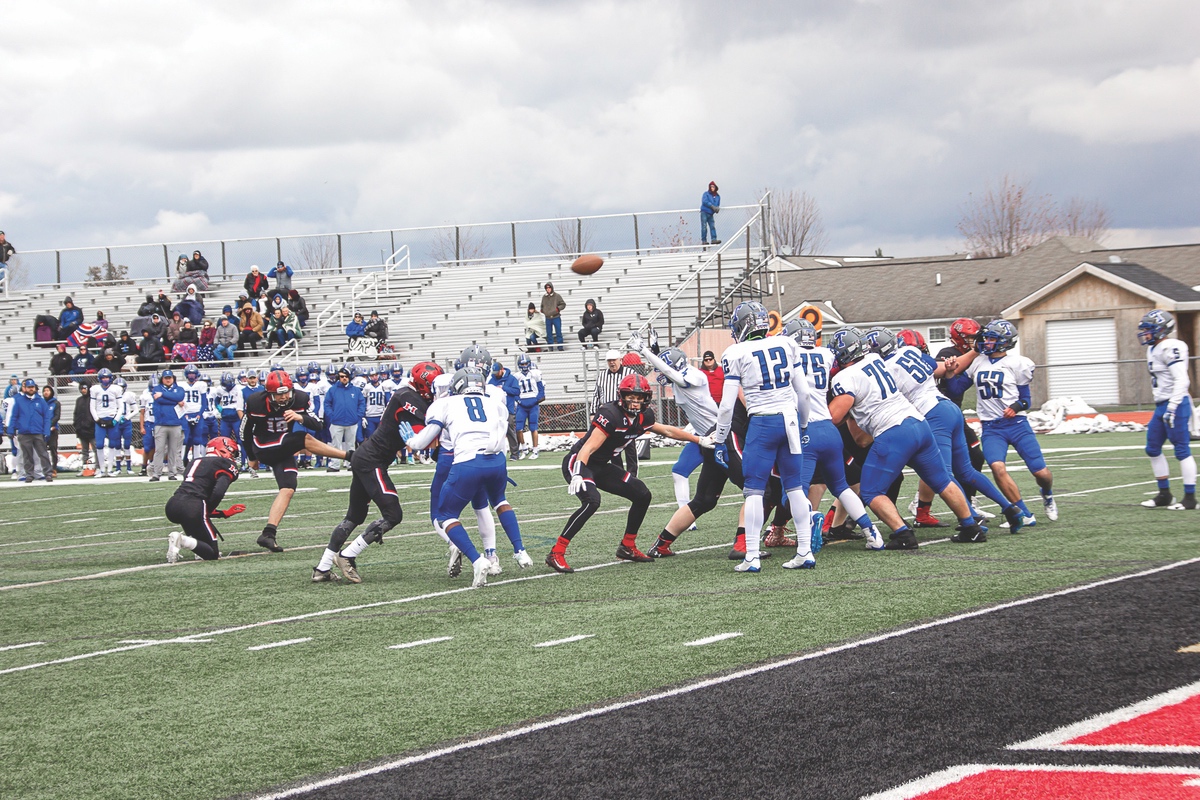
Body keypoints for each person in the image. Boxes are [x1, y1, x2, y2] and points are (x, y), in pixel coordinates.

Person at [827, 327, 987, 550]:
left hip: (893, 431)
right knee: (942, 480)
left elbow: (834, 417)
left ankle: (903, 534)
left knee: (872, 491)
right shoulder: (875, 359)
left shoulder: (845, 377)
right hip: (918, 423)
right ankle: (971, 527)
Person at [870, 326, 1026, 535]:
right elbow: (942, 369)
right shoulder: (910, 352)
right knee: (966, 471)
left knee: (944, 475)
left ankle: (970, 520)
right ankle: (1010, 508)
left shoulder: (884, 368)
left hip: (932, 415)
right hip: (949, 408)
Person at [546, 373, 709, 573]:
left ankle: (627, 546)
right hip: (580, 462)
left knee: (642, 494)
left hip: (601, 465)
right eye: (631, 396)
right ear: (622, 396)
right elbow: (587, 448)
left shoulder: (644, 417)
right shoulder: (610, 414)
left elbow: (667, 431)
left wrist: (699, 440)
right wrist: (578, 473)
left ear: (646, 399)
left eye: (639, 398)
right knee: (592, 501)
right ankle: (557, 552)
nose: (635, 401)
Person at [313, 362, 447, 584]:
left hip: (367, 457)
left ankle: (322, 568)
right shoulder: (409, 398)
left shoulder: (409, 394)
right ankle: (347, 555)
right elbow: (427, 434)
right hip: (371, 460)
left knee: (354, 516)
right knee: (393, 515)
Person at [710, 302, 818, 572]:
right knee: (794, 487)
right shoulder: (787, 344)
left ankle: (752, 556)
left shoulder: (735, 352)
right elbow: (803, 394)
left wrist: (721, 436)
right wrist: (803, 424)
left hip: (762, 421)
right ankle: (805, 552)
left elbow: (726, 405)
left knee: (754, 490)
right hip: (790, 419)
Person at [400, 368, 532, 587]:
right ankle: (520, 551)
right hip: (498, 461)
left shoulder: (446, 404)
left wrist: (412, 442)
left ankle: (477, 559)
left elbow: (424, 442)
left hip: (468, 462)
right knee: (500, 501)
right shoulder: (495, 402)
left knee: (445, 515)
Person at [943, 319, 1055, 527]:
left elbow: (1026, 400)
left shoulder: (1018, 363)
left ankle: (1047, 493)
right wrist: (950, 373)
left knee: (1041, 473)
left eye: (992, 338)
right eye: (986, 338)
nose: (986, 342)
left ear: (1005, 341)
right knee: (996, 467)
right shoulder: (977, 361)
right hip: (992, 427)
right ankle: (1023, 512)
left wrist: (1016, 406)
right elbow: (956, 390)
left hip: (1017, 425)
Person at [242, 371, 352, 552]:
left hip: (283, 447)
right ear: (269, 394)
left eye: (286, 392)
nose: (284, 397)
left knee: (288, 488)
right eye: (279, 394)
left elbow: (318, 424)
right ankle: (350, 456)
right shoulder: (256, 401)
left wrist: (301, 417)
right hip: (263, 446)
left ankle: (268, 533)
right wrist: (251, 458)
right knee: (301, 438)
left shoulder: (300, 398)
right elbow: (244, 431)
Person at [1135, 310, 1195, 510]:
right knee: (1152, 448)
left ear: (1161, 330)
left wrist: (1172, 406)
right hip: (1161, 405)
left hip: (1175, 404)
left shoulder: (1171, 346)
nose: (1145, 334)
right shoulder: (1153, 348)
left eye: (1149, 330)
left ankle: (1189, 499)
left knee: (1181, 450)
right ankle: (1164, 494)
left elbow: (1182, 380)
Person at [164, 437, 247, 564]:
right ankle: (181, 540)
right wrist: (210, 511)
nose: (233, 457)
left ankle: (196, 548)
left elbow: (199, 505)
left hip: (173, 504)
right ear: (224, 449)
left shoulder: (195, 461)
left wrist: (223, 513)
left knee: (200, 532)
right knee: (212, 554)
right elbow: (218, 493)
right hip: (193, 506)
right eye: (233, 452)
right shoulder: (225, 464)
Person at [592, 349, 638, 475]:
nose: (612, 363)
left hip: (626, 413)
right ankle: (619, 473)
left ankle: (633, 474)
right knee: (612, 445)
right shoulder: (602, 376)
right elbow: (596, 394)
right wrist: (593, 412)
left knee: (629, 444)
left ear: (620, 360)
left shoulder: (630, 373)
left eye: (614, 360)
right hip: (609, 414)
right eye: (609, 361)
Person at [6, 378, 53, 482]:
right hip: (24, 432)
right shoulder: (19, 401)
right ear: (25, 388)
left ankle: (48, 473)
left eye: (32, 387)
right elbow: (14, 416)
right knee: (27, 455)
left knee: (43, 454)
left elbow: (46, 418)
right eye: (29, 387)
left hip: (38, 431)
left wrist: (46, 431)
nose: (31, 389)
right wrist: (11, 429)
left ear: (35, 388)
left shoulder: (41, 401)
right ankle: (29, 474)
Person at [149, 369, 186, 481]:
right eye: (166, 378)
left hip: (175, 423)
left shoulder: (179, 389)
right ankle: (156, 473)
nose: (168, 379)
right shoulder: (157, 388)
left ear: (173, 378)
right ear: (163, 379)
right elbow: (159, 400)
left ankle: (171, 473)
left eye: (170, 377)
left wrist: (164, 395)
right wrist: (174, 400)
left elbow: (179, 397)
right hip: (161, 423)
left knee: (173, 450)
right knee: (159, 449)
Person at [489, 361, 521, 459]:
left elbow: (517, 391)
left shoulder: (511, 379)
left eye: (497, 372)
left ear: (502, 370)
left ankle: (515, 453)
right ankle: (495, 453)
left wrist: (504, 388)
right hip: (495, 410)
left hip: (508, 409)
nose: (496, 375)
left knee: (510, 431)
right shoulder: (492, 380)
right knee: (495, 432)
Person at [73, 382, 97, 470]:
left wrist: (91, 423)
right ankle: (85, 468)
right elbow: (76, 414)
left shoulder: (93, 399)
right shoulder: (79, 400)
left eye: (85, 388)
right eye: (82, 388)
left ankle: (98, 467)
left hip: (92, 430)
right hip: (81, 430)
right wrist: (76, 425)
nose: (83, 390)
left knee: (96, 449)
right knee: (84, 451)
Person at [41, 385, 60, 477]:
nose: (46, 392)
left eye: (48, 390)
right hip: (43, 430)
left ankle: (54, 468)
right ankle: (45, 468)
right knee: (42, 450)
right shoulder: (41, 403)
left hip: (53, 429)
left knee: (53, 449)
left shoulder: (56, 403)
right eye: (44, 390)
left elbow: (57, 416)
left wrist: (50, 425)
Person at [541, 283, 566, 350]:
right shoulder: (544, 297)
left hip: (556, 317)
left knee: (558, 332)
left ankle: (560, 346)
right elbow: (542, 305)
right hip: (548, 318)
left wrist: (558, 309)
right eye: (547, 288)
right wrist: (543, 310)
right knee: (549, 333)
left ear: (552, 288)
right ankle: (550, 347)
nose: (548, 289)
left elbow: (563, 304)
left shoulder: (557, 296)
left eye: (549, 288)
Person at [700, 181, 721, 246]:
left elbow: (717, 204)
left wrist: (716, 208)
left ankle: (714, 239)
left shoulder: (717, 196)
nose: (712, 188)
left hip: (711, 213)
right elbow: (705, 201)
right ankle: (704, 240)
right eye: (711, 187)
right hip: (704, 212)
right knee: (704, 227)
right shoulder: (706, 194)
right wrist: (712, 206)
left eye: (713, 187)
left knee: (712, 226)